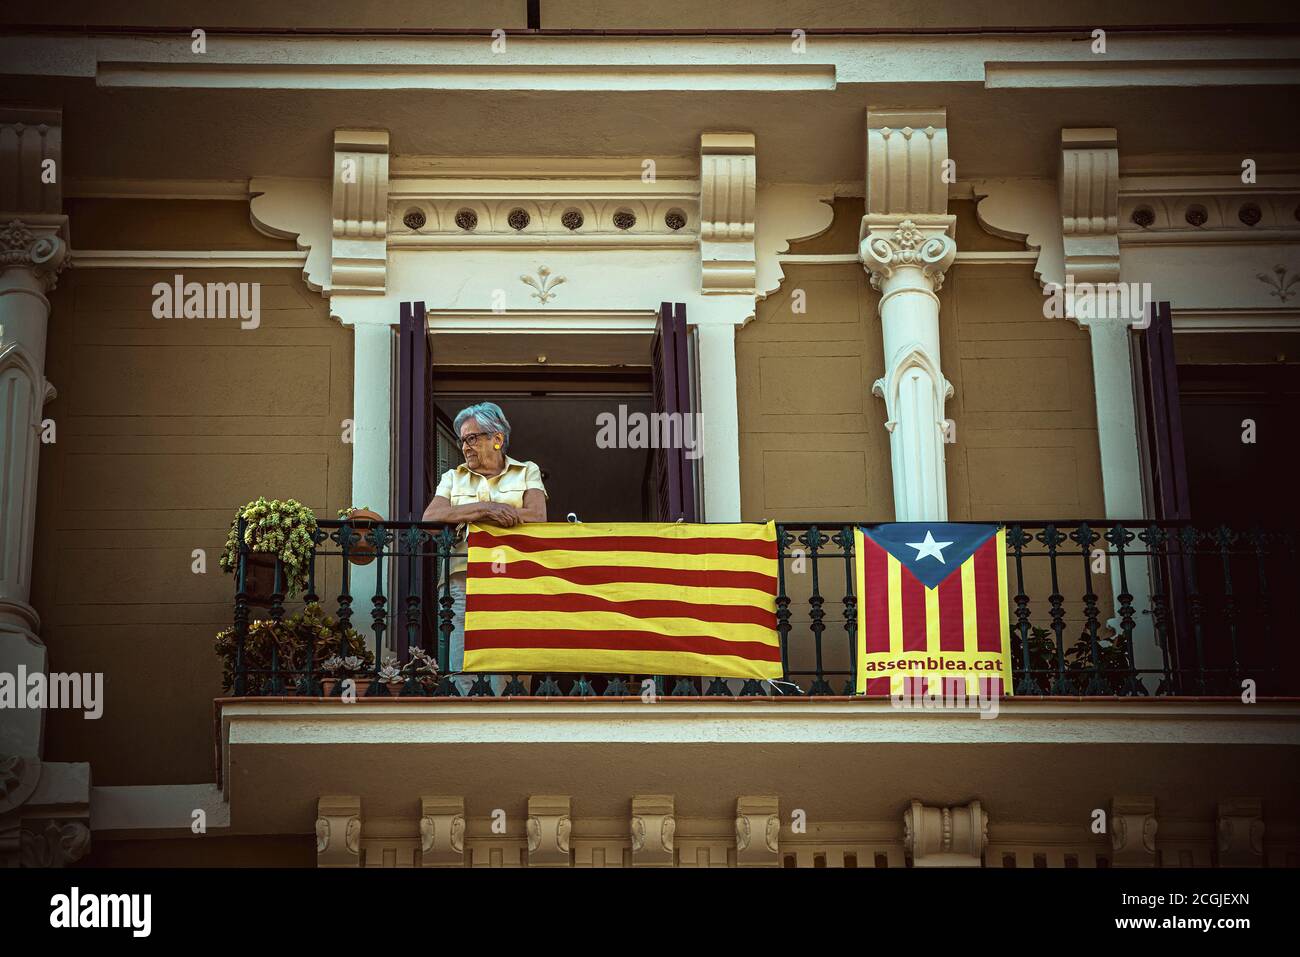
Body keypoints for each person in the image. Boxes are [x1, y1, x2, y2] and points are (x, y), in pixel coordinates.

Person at [422, 402, 547, 694]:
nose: (465, 446)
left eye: (472, 438)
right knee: (462, 659)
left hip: (515, 577)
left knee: (508, 658)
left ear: (497, 439)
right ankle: (463, 721)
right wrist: (485, 509)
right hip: (462, 577)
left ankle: (510, 722)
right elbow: (431, 518)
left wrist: (466, 512)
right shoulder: (453, 478)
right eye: (462, 440)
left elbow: (537, 515)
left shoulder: (527, 471)